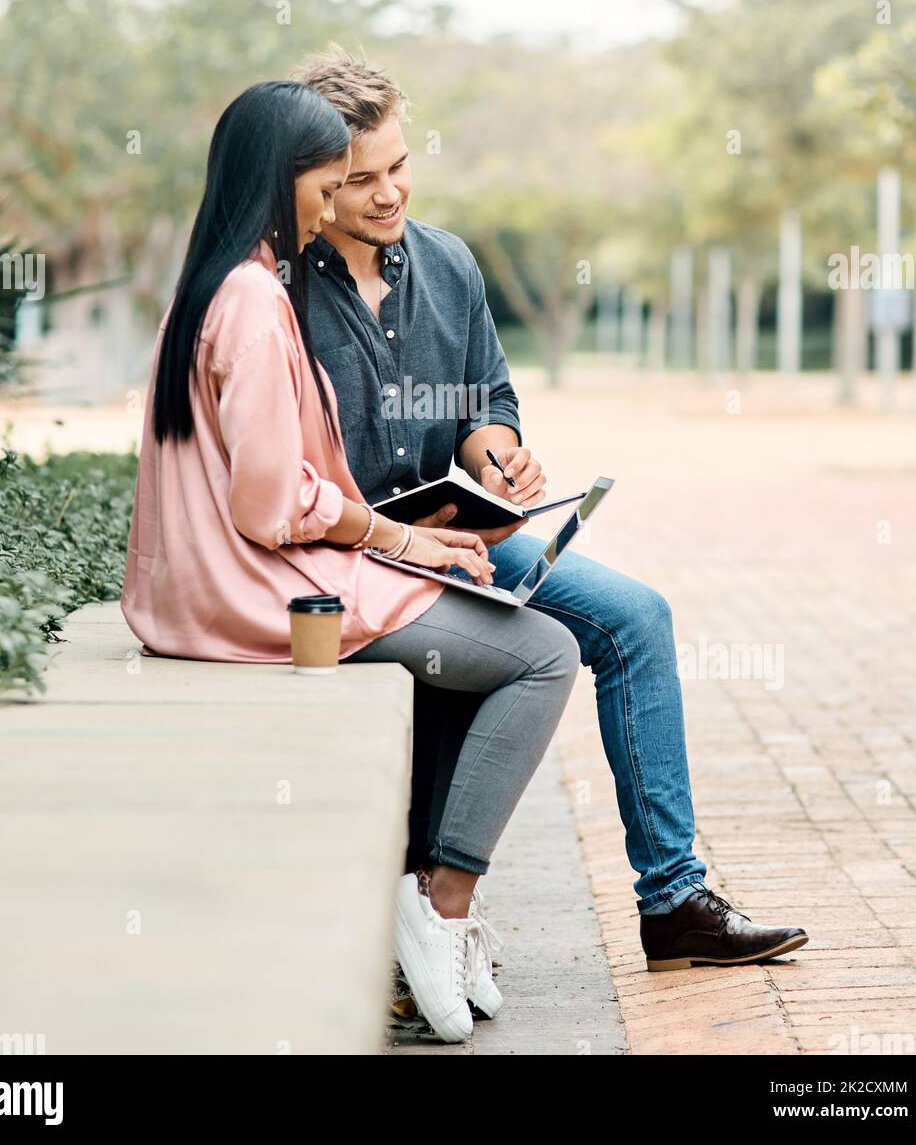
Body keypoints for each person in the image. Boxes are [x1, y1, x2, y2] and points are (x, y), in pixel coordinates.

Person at [293, 47, 810, 973]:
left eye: (399, 167)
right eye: (360, 179)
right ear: (317, 182)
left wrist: (498, 455)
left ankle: (674, 901)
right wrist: (416, 532)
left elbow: (489, 402)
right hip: (364, 558)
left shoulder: (449, 266)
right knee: (501, 654)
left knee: (638, 619)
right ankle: (432, 911)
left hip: (471, 537)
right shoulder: (279, 293)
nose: (387, 194)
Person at [120, 80, 581, 1042]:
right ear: (283, 182)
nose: (338, 207)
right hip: (267, 597)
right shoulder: (252, 299)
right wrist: (400, 539)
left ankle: (438, 905)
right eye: (329, 185)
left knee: (488, 597)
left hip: (219, 591)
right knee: (542, 654)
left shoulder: (214, 282)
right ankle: (440, 901)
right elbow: (266, 499)